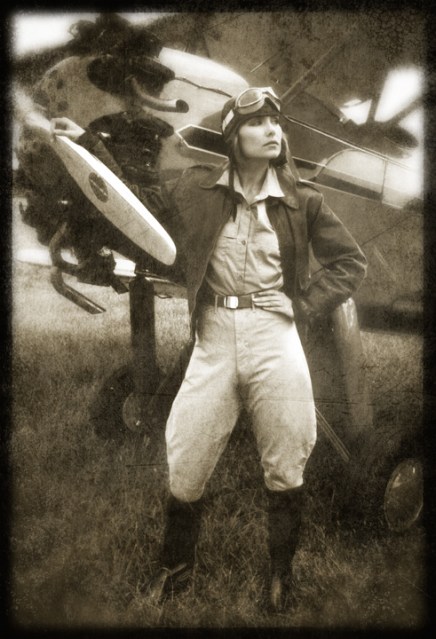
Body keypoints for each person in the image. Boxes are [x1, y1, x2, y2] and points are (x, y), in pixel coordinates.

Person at [50, 87, 367, 612]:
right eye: (257, 123)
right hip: (214, 336)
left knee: (288, 455)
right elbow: (136, 204)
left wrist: (306, 305)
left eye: (276, 122)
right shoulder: (199, 189)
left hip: (274, 335)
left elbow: (350, 263)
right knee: (187, 454)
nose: (272, 130)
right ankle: (176, 571)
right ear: (232, 136)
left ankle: (280, 577)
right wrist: (85, 144)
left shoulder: (304, 200)